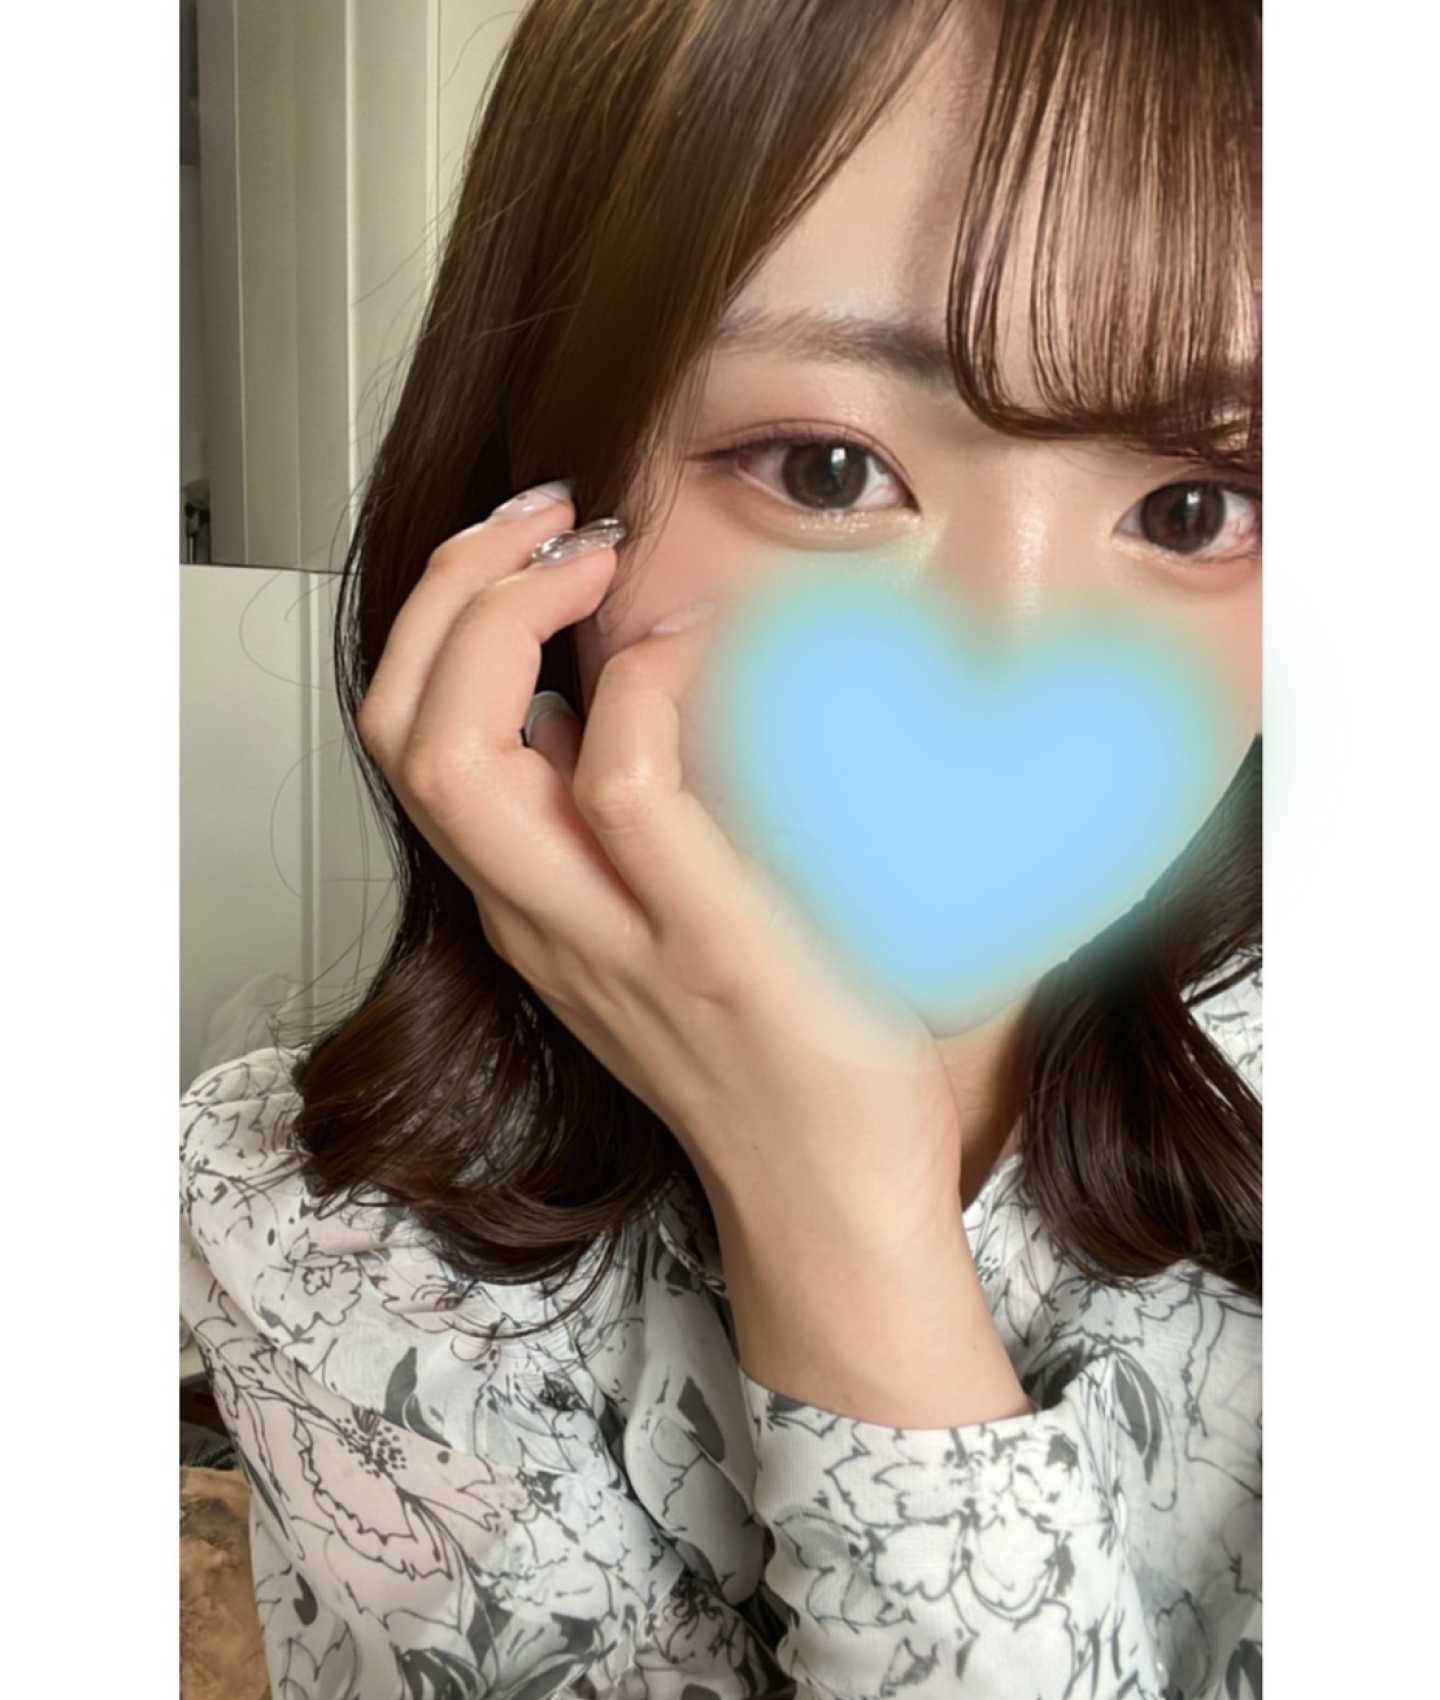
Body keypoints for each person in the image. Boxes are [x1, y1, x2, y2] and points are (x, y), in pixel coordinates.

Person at [180, 1, 1262, 1695]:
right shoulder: (320, 1234)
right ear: (539, 522)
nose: (1020, 652)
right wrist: (841, 1217)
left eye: (1196, 507)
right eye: (828, 471)